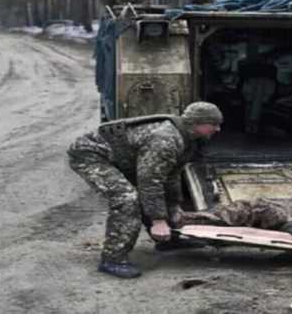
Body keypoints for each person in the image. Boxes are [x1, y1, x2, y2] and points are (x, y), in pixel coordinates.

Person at [67, 102, 223, 278]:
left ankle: (167, 240)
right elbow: (150, 182)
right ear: (198, 123)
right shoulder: (165, 139)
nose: (217, 129)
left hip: (124, 158)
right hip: (91, 155)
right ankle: (113, 259)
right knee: (126, 199)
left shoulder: (188, 139)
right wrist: (158, 221)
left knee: (155, 194)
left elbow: (171, 176)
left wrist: (174, 206)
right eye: (213, 124)